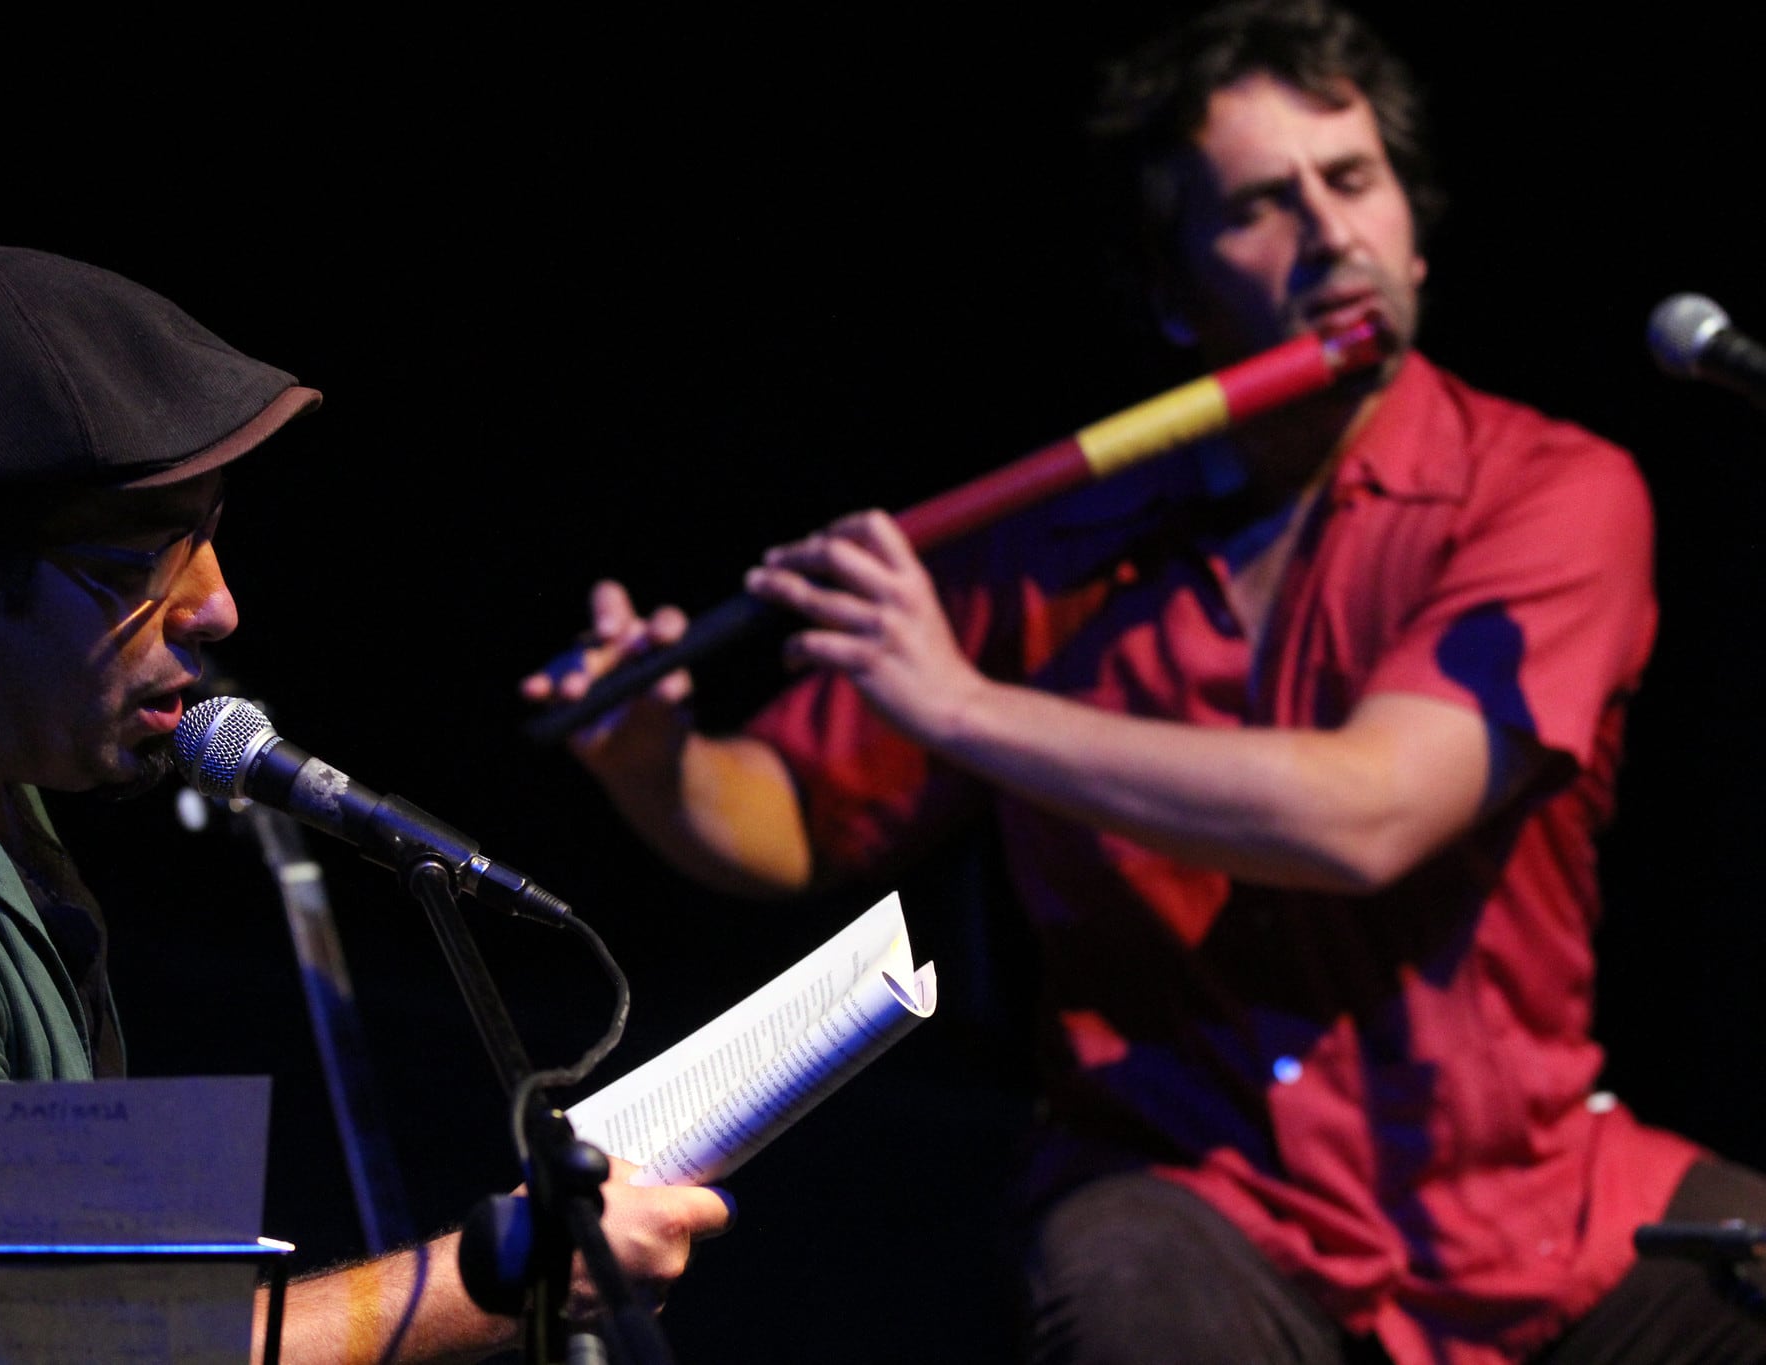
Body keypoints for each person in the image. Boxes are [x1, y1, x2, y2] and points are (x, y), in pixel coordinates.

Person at [522, 2, 1766, 1362]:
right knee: (1118, 1285)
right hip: (1192, 1194)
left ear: (1412, 221)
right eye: (1260, 207)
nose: (1331, 234)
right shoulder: (1063, 538)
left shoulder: (1550, 491)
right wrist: (656, 758)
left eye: (1352, 182)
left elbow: (1368, 814)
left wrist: (969, 709)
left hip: (1530, 1211)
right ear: (1175, 291)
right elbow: (791, 817)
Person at [0, 241, 732, 1363]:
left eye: (208, 531)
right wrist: (497, 1279)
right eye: (144, 560)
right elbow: (49, 1356)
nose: (217, 606)